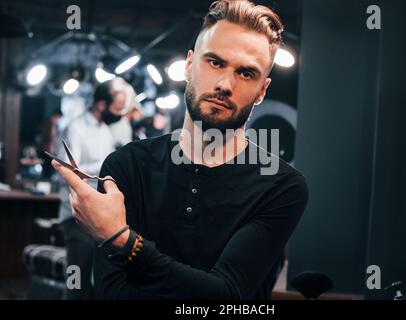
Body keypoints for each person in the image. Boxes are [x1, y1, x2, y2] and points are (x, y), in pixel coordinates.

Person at [53, 0, 308, 300]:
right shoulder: (127, 166)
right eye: (214, 62)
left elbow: (225, 296)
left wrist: (123, 240)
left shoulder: (280, 187)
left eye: (246, 73)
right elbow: (113, 296)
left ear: (262, 91)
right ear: (189, 65)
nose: (225, 84)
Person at [55, 77, 135, 299]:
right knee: (76, 279)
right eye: (116, 108)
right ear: (102, 104)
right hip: (76, 215)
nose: (118, 114)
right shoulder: (76, 128)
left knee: (98, 282)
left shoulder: (105, 130)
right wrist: (105, 169)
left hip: (100, 216)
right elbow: (68, 171)